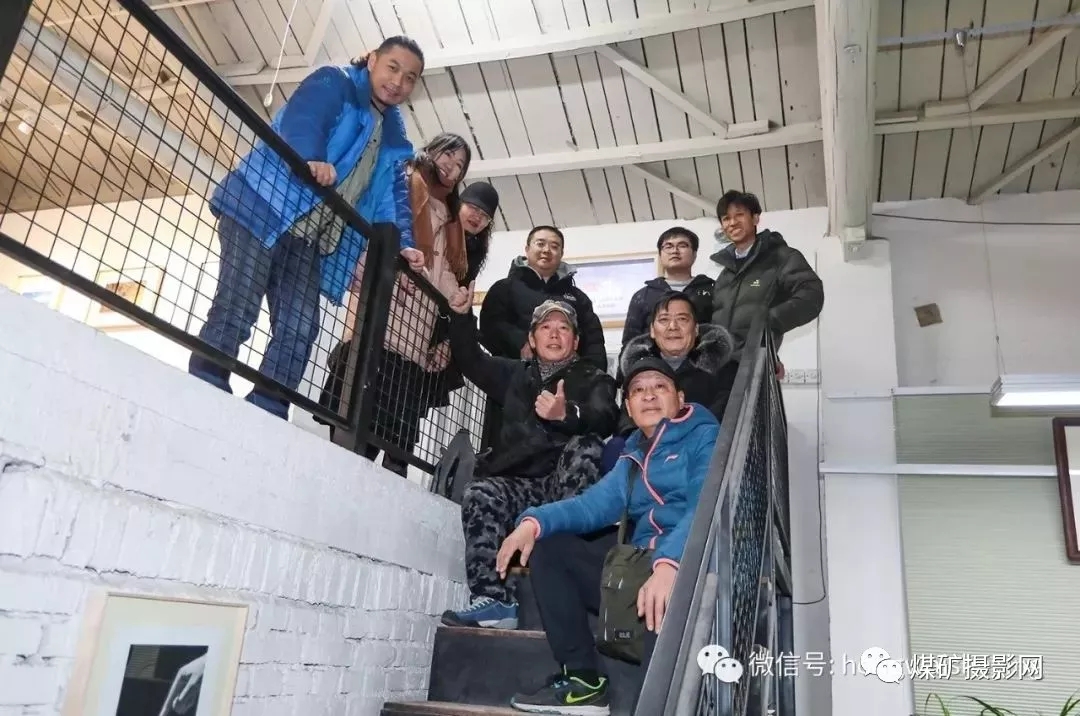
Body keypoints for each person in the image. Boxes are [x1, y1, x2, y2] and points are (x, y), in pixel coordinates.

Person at [188, 37, 427, 419]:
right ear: (372, 60)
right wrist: (311, 157)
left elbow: (391, 196)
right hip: (261, 206)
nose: (398, 81)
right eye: (393, 67)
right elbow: (304, 119)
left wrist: (405, 243)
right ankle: (205, 381)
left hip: (308, 238)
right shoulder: (336, 82)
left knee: (300, 326)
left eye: (410, 77)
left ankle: (267, 406)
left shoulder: (393, 137)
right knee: (239, 303)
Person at [495, 357, 720, 715]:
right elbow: (590, 506)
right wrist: (532, 522)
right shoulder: (632, 456)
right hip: (643, 565)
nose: (649, 395)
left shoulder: (705, 436)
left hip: (690, 562)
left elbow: (704, 505)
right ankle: (584, 681)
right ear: (628, 406)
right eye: (638, 390)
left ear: (679, 398)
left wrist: (669, 564)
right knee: (550, 548)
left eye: (659, 387)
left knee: (662, 608)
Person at [440, 291, 619, 630]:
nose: (554, 334)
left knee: (587, 446)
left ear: (576, 341)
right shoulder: (514, 374)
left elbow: (606, 417)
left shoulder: (594, 378)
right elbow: (471, 360)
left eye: (563, 328)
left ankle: (569, 576)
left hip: (564, 485)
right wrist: (461, 315)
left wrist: (567, 414)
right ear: (532, 340)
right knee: (480, 492)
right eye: (546, 327)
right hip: (520, 482)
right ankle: (494, 600)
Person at [314, 174, 497, 454]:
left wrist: (447, 342)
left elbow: (454, 298)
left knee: (389, 431)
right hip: (384, 330)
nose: (477, 217)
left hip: (419, 348)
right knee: (353, 419)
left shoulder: (467, 255)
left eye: (485, 216)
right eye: (473, 207)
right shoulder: (423, 226)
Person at [710, 189, 824, 413]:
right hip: (719, 374)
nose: (732, 223)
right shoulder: (724, 276)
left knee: (750, 429)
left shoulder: (781, 257)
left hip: (755, 369)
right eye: (726, 218)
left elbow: (811, 295)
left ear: (755, 218)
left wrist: (769, 322)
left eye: (739, 215)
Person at [478, 226, 607, 372]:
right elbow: (490, 326)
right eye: (540, 244)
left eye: (554, 246)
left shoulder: (578, 297)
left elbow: (593, 340)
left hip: (568, 378)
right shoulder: (504, 288)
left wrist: (594, 376)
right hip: (513, 375)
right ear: (527, 249)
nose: (546, 250)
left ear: (561, 253)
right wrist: (522, 343)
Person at [620, 227, 714, 348]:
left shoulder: (714, 290)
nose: (675, 251)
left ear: (694, 254)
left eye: (682, 245)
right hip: (653, 359)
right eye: (668, 246)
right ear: (660, 255)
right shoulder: (643, 295)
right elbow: (630, 342)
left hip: (704, 358)